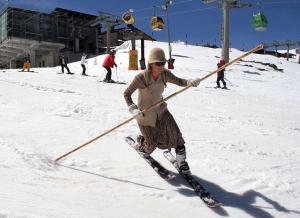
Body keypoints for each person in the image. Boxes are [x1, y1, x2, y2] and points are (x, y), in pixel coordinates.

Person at [123, 47, 201, 174]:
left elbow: (180, 81)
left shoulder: (165, 74)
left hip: (161, 111)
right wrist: (133, 109)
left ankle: (182, 162)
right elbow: (127, 94)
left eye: (162, 63)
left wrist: (190, 82)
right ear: (151, 64)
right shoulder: (141, 78)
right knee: (151, 146)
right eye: (157, 64)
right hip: (144, 115)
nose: (160, 66)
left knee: (175, 136)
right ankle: (142, 141)